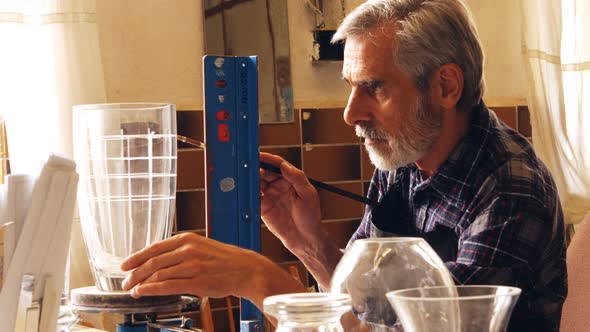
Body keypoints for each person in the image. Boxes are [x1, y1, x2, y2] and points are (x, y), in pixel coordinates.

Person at [120, 0, 567, 330]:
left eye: (374, 87)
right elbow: (364, 310)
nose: (351, 114)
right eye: (351, 87)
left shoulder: (510, 188)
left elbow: (418, 329)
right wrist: (308, 242)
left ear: (446, 86)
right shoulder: (404, 158)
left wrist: (256, 277)